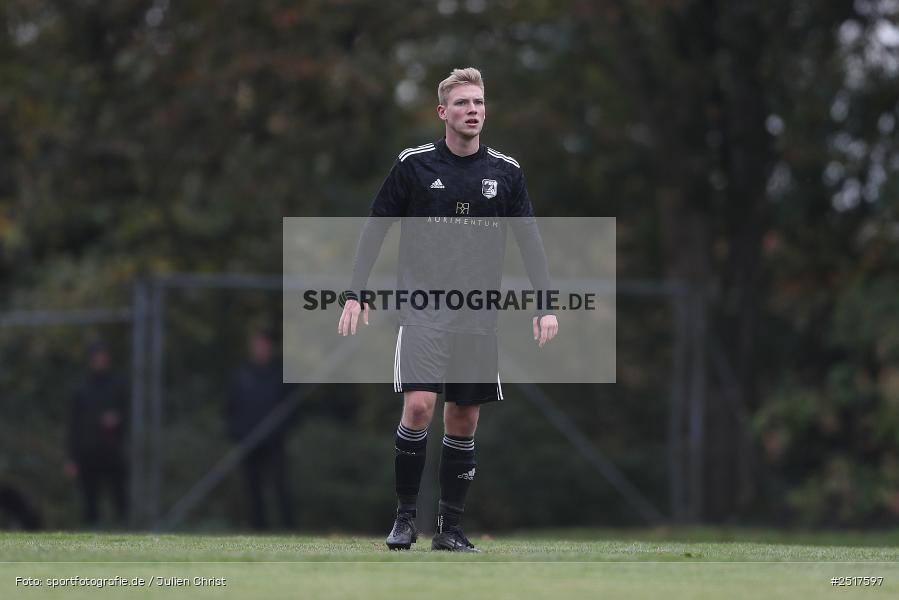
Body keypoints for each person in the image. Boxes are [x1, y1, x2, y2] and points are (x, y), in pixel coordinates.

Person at [338, 67, 558, 552]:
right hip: (422, 308)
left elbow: (530, 240)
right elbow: (376, 226)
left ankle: (450, 530)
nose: (473, 110)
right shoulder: (414, 166)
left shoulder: (506, 173)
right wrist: (356, 291)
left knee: (463, 420)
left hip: (478, 315)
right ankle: (403, 520)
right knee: (419, 406)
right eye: (462, 103)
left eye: (479, 102)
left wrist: (546, 303)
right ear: (444, 112)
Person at [225, 327, 296, 530]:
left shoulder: (279, 375)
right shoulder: (241, 375)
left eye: (264, 345)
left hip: (274, 442)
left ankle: (288, 527)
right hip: (248, 442)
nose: (261, 349)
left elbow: (291, 409)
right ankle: (258, 528)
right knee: (252, 488)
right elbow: (230, 408)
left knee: (280, 484)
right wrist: (237, 433)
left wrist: (281, 429)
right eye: (257, 345)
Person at [65, 340, 128, 526]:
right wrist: (72, 458)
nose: (100, 361)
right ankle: (92, 535)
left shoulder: (117, 385)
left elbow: (126, 415)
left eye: (103, 357)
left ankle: (124, 531)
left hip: (112, 450)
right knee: (90, 500)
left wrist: (117, 419)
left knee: (119, 495)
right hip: (88, 452)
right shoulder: (81, 389)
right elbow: (73, 426)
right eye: (97, 358)